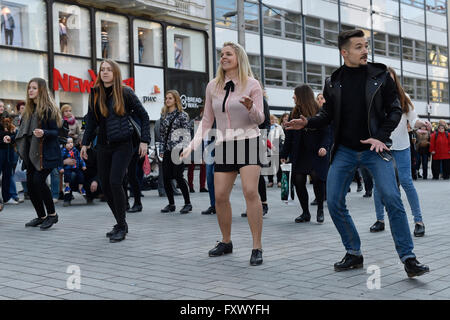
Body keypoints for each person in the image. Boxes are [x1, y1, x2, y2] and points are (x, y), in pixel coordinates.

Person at [284, 29, 429, 278]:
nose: (365, 51)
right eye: (359, 47)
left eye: (366, 46)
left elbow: (395, 110)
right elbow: (327, 116)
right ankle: (353, 253)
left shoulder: (381, 76)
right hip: (345, 151)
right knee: (335, 202)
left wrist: (381, 137)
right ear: (345, 52)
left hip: (374, 150)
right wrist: (307, 122)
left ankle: (409, 258)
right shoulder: (333, 81)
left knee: (393, 199)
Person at [181, 41, 265, 266]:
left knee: (250, 191)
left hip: (248, 140)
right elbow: (207, 119)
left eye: (228, 54)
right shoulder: (213, 86)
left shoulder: (252, 84)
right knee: (219, 196)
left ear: (239, 58)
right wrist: (193, 144)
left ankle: (256, 246)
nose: (223, 57)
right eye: (222, 54)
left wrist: (251, 108)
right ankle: (226, 242)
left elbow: (260, 119)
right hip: (224, 145)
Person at [81, 59, 150, 243]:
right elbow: (91, 121)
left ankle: (121, 224)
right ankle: (120, 223)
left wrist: (144, 140)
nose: (104, 72)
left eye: (109, 70)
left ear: (115, 73)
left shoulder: (125, 92)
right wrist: (84, 143)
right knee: (105, 184)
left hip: (123, 144)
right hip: (103, 146)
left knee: (115, 182)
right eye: (102, 70)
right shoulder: (95, 93)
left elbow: (144, 116)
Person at [370, 67, 431, 237]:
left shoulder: (403, 98)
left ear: (394, 80)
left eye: (389, 79)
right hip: (382, 147)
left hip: (402, 146)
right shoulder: (375, 99)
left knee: (406, 182)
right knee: (378, 185)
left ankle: (419, 221)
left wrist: (422, 124)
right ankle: (380, 220)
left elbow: (414, 119)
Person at [15, 78, 62, 230]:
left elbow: (57, 132)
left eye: (34, 88)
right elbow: (23, 133)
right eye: (29, 88)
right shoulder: (29, 111)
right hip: (31, 154)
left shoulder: (48, 109)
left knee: (38, 181)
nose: (30, 90)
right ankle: (41, 216)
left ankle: (52, 215)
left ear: (41, 90)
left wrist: (44, 132)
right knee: (30, 184)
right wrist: (11, 138)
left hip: (46, 153)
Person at [281, 85, 330, 224]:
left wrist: (324, 147)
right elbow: (289, 135)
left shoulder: (319, 111)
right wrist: (284, 154)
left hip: (316, 152)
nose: (293, 97)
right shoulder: (294, 113)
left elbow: (327, 133)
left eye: (294, 94)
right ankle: (305, 213)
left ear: (301, 95)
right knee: (298, 180)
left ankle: (320, 210)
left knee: (317, 179)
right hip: (299, 152)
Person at [159, 90, 192, 214]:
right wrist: (162, 149)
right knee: (166, 177)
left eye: (170, 98)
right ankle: (171, 204)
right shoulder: (164, 115)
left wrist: (185, 149)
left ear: (176, 100)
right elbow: (162, 135)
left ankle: (188, 203)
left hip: (178, 150)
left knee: (178, 176)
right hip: (167, 149)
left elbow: (187, 133)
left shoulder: (182, 115)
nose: (167, 100)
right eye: (166, 98)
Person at [59, 137, 87, 206]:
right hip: (68, 168)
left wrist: (83, 165)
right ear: (64, 145)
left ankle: (81, 187)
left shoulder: (75, 150)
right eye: (68, 143)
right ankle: (67, 187)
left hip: (76, 167)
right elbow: (59, 161)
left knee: (80, 175)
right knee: (67, 175)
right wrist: (60, 168)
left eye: (71, 143)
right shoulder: (63, 151)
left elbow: (80, 159)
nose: (70, 144)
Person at [188, 109, 207, 193]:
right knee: (191, 168)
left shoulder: (208, 123)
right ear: (201, 113)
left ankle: (202, 187)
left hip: (204, 147)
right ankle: (191, 187)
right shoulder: (193, 122)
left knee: (203, 168)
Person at [0, 112, 17, 205]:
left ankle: (7, 197)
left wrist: (10, 136)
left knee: (7, 175)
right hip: (1, 151)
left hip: (9, 151)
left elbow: (16, 137)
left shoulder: (12, 127)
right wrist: (6, 136)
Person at [267, 114, 285, 188]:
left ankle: (279, 181)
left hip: (277, 149)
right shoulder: (267, 127)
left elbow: (283, 136)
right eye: (271, 119)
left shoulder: (279, 127)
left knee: (278, 166)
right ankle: (270, 181)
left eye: (274, 119)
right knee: (270, 166)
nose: (273, 121)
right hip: (268, 149)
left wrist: (280, 143)